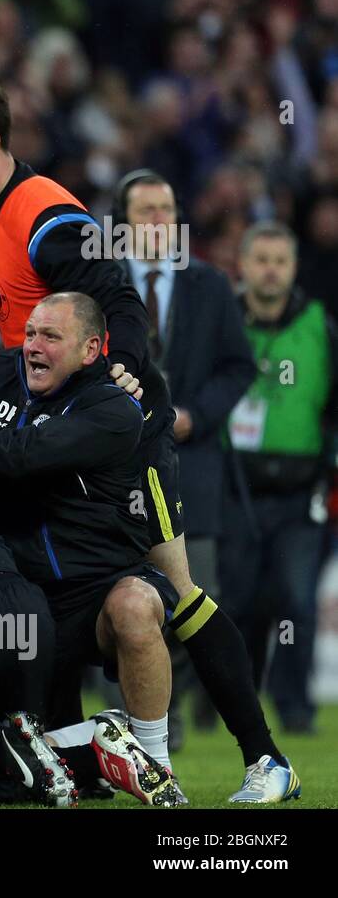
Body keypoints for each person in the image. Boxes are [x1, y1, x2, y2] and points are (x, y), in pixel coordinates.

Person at [0, 70, 293, 801]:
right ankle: (88, 759)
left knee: (177, 593)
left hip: (110, 429)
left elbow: (116, 294)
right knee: (53, 593)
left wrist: (129, 376)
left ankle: (264, 759)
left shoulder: (47, 210)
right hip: (45, 406)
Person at [0, 292, 186, 807]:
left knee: (136, 606)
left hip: (95, 592)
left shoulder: (115, 410)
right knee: (22, 761)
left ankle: (154, 760)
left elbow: (21, 455)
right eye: (30, 333)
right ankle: (91, 745)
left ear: (92, 349)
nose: (33, 346)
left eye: (51, 336)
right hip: (24, 596)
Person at [114, 170, 256, 746]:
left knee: (191, 594)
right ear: (123, 223)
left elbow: (239, 367)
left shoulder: (211, 285)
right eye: (145, 210)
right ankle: (140, 720)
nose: (158, 220)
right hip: (113, 469)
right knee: (121, 589)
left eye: (166, 209)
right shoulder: (98, 285)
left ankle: (168, 714)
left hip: (190, 464)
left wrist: (196, 413)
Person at [221, 222, 336, 766]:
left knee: (295, 599)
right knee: (232, 602)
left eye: (280, 261)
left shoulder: (321, 328)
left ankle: (294, 708)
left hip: (298, 492)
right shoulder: (219, 322)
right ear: (242, 265)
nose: (270, 270)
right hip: (231, 486)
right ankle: (224, 703)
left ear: (293, 268)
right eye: (260, 259)